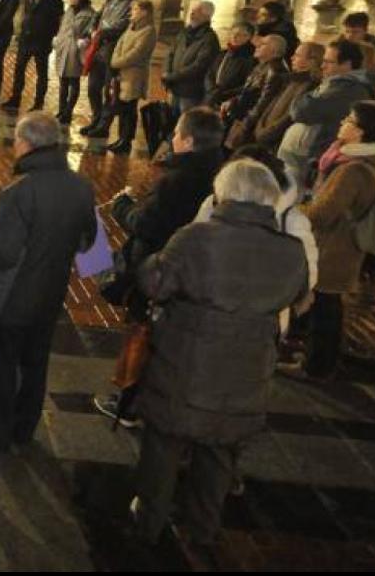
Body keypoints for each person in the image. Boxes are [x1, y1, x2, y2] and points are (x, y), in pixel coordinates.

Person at [131, 159, 307, 551]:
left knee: (163, 448)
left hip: (185, 363)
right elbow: (299, 296)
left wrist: (149, 263)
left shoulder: (196, 238)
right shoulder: (290, 250)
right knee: (219, 454)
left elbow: (154, 284)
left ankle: (149, 523)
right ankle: (204, 530)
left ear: (223, 194)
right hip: (247, 369)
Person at [0, 111, 96, 451]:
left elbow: (2, 253)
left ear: (24, 144)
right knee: (36, 362)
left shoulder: (18, 192)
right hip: (51, 294)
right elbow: (88, 245)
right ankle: (24, 429)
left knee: (1, 363)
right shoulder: (81, 186)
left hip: (12, 297)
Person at [93, 107, 225, 426]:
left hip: (156, 265)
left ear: (189, 141)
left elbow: (146, 225)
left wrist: (124, 206)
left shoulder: (177, 180)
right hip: (188, 269)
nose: (172, 138)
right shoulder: (216, 174)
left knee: (142, 333)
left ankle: (128, 405)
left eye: (177, 133)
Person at [294, 101, 375, 380]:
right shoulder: (362, 160)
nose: (343, 121)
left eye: (349, 119)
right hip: (342, 246)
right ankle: (316, 358)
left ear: (361, 132)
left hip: (335, 247)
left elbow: (324, 213)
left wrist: (295, 211)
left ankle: (316, 367)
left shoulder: (354, 170)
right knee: (326, 304)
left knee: (326, 308)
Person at [193, 145, 318, 341]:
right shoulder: (214, 203)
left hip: (260, 326)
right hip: (208, 313)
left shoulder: (292, 220)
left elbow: (306, 277)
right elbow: (194, 246)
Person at [280, 40, 372, 183]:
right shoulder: (335, 83)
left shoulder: (348, 89)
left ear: (346, 64)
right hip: (304, 156)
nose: (322, 66)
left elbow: (301, 111)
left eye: (329, 62)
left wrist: (307, 96)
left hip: (313, 158)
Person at [85, 0, 157, 154]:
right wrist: (115, 60)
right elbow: (119, 45)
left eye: (135, 9)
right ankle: (120, 138)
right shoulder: (131, 27)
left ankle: (126, 140)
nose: (132, 12)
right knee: (121, 106)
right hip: (120, 72)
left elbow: (137, 53)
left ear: (144, 12)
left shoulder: (149, 31)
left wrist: (116, 62)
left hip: (133, 75)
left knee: (129, 108)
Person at [82, 0, 141, 130]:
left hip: (113, 51)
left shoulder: (136, 4)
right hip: (98, 49)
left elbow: (124, 25)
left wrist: (102, 32)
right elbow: (98, 15)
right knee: (93, 87)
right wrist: (93, 29)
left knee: (109, 91)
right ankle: (96, 118)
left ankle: (103, 126)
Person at [233, 41, 320, 152]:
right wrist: (260, 127)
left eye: (297, 55)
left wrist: (264, 134)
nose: (292, 58)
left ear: (311, 61)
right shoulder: (291, 80)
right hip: (262, 135)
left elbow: (288, 118)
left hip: (273, 143)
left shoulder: (309, 86)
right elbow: (270, 105)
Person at [6, 0, 63, 111]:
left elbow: (55, 23)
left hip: (41, 42)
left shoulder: (53, 0)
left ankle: (39, 102)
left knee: (41, 73)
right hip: (26, 40)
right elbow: (28, 16)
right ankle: (15, 98)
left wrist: (45, 34)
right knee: (19, 69)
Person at [161, 0, 220, 116]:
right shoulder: (184, 32)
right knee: (169, 122)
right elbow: (170, 53)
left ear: (206, 16)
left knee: (184, 124)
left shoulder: (209, 39)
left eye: (196, 11)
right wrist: (166, 72)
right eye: (192, 11)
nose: (191, 14)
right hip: (174, 88)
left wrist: (173, 76)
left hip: (189, 93)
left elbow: (199, 66)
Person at [221, 34, 287, 135]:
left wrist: (245, 125)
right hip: (241, 116)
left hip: (248, 123)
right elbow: (249, 90)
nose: (257, 46)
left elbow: (263, 102)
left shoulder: (275, 71)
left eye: (263, 44)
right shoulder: (262, 65)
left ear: (274, 50)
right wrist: (232, 100)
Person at [54, 0, 95, 124]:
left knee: (73, 82)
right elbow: (63, 28)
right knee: (63, 82)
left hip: (76, 52)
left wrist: (85, 41)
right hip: (64, 48)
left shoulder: (90, 14)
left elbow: (91, 32)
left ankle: (68, 111)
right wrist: (58, 42)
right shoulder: (69, 11)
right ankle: (61, 110)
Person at [205, 22, 257, 108]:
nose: (234, 36)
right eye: (233, 33)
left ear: (249, 37)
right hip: (211, 97)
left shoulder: (250, 59)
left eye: (240, 34)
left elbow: (248, 84)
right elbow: (210, 72)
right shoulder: (223, 53)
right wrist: (211, 88)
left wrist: (223, 93)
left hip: (230, 102)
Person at [340, 11, 375, 81]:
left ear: (365, 31)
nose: (350, 35)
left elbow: (370, 71)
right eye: (347, 31)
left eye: (355, 32)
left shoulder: (371, 47)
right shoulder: (341, 42)